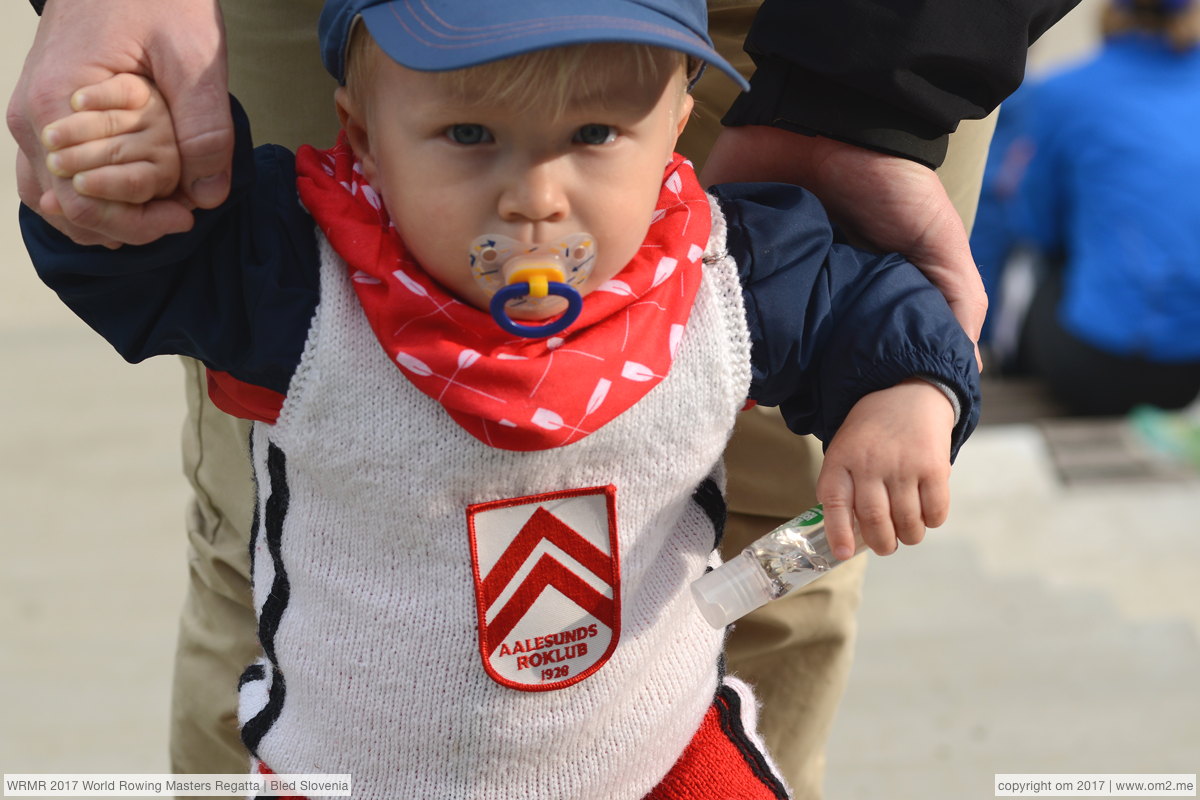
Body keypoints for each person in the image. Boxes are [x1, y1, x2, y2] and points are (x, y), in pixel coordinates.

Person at [8, 1, 1078, 796]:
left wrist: (910, 392)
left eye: (596, 136)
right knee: (240, 548)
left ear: (679, 125)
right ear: (363, 130)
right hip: (352, 766)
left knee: (778, 581)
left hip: (656, 750)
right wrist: (127, 182)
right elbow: (154, 270)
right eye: (470, 136)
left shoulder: (722, 265)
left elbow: (867, 306)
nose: (536, 195)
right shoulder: (300, 273)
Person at [1002, 0, 1200, 415]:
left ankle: (999, 368)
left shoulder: (1061, 91)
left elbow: (1034, 224)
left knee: (1044, 266)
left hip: (1091, 363)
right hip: (1189, 371)